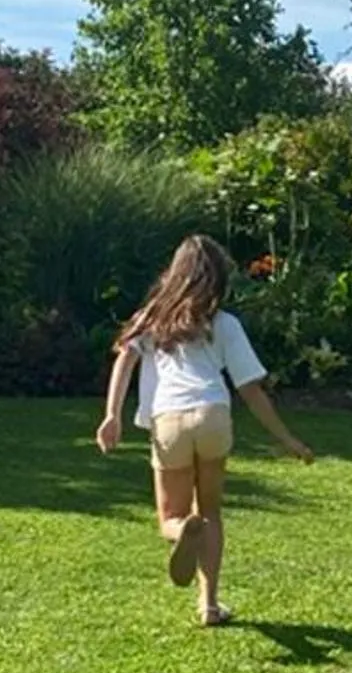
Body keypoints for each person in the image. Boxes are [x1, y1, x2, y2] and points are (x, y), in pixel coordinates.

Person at [95, 235, 313, 625]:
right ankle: (209, 605)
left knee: (170, 515)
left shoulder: (151, 318)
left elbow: (124, 361)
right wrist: (286, 438)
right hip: (213, 414)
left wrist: (112, 415)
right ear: (217, 278)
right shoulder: (224, 323)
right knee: (210, 510)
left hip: (170, 419)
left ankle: (181, 531)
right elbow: (250, 388)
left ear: (175, 273)